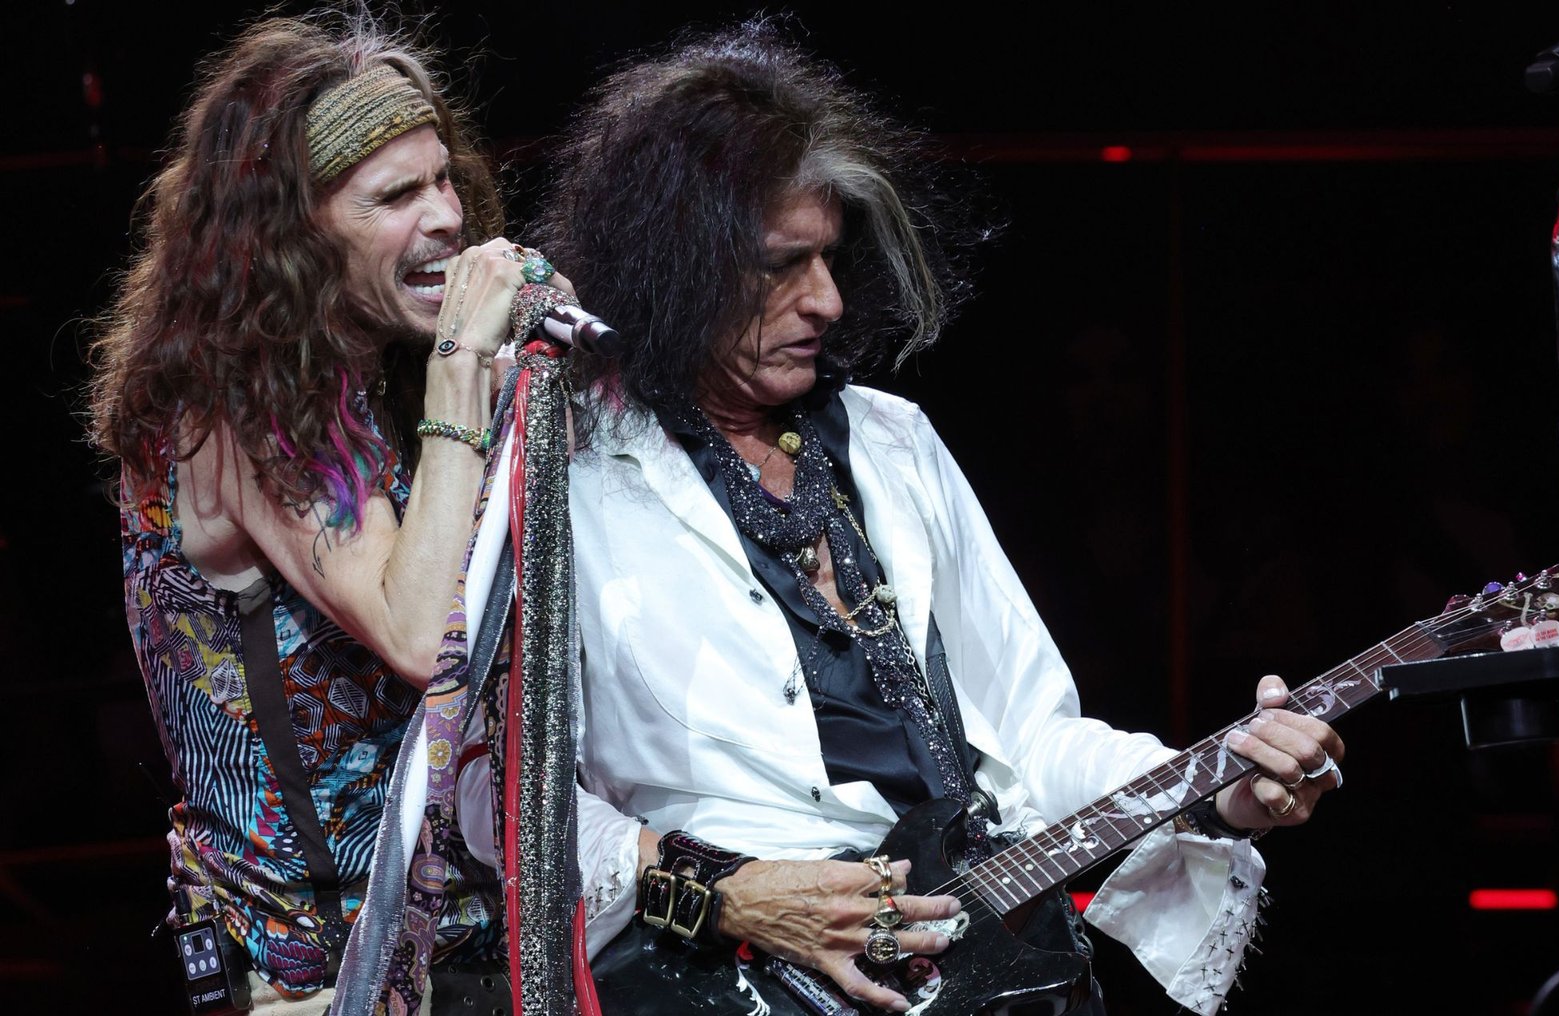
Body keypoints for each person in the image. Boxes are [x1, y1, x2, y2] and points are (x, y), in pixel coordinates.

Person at [525, 23, 1348, 1016]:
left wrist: (1217, 788)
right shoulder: (566, 470)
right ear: (676, 264)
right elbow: (510, 807)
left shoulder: (893, 442)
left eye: (830, 256)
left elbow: (1031, 737)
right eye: (783, 264)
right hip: (712, 979)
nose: (826, 299)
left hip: (961, 969)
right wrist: (729, 890)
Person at [87, 13, 539, 1012]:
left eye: (444, 180)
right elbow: (421, 635)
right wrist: (463, 367)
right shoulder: (238, 401)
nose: (446, 217)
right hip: (324, 978)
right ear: (295, 234)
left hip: (467, 949)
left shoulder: (381, 375)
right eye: (396, 196)